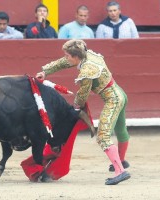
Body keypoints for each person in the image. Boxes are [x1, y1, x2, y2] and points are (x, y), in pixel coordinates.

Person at [35, 39, 131, 185]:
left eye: (67, 55)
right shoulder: (87, 55)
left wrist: (76, 107)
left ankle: (120, 171)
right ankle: (121, 161)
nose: (66, 58)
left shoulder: (87, 71)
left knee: (103, 136)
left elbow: (83, 94)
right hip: (120, 94)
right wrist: (45, 71)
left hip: (113, 100)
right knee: (121, 130)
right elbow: (64, 62)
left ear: (76, 57)